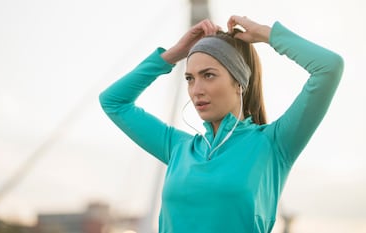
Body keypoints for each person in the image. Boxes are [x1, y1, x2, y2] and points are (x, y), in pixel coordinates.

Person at [99, 15, 343, 233]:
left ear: (239, 82)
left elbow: (329, 68)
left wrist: (266, 34)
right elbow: (113, 101)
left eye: (208, 75)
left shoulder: (273, 144)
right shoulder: (179, 148)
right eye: (189, 78)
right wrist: (174, 53)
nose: (196, 90)